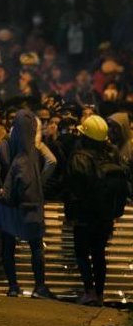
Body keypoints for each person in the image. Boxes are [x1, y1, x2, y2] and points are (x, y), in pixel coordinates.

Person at [0, 110, 57, 299]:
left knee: (9, 246)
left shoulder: (4, 146)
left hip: (11, 207)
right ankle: (39, 286)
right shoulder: (34, 150)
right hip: (30, 206)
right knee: (36, 246)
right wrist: (38, 184)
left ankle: (13, 286)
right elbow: (52, 162)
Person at [65, 115, 129, 306]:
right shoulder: (111, 155)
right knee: (99, 254)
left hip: (85, 218)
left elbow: (73, 191)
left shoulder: (79, 158)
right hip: (105, 217)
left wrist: (71, 215)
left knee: (82, 253)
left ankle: (89, 291)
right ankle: (99, 295)